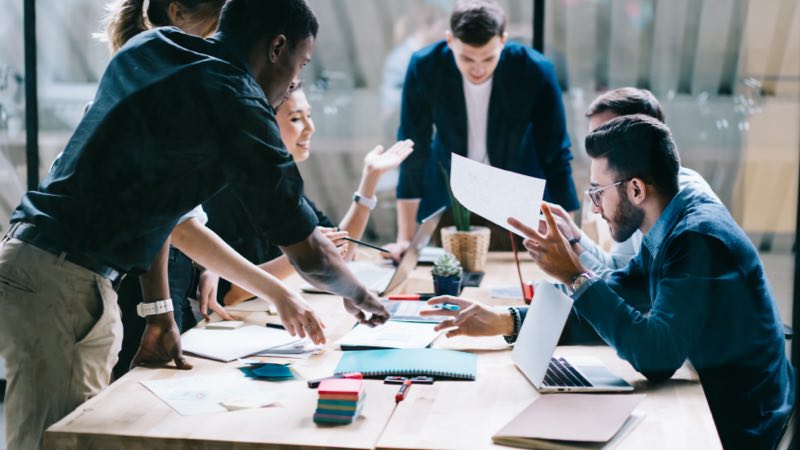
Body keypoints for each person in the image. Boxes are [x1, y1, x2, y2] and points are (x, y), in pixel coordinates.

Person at [0, 1, 389, 448]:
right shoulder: (234, 97)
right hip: (65, 284)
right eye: (298, 67)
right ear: (277, 46)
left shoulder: (151, 46)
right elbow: (308, 252)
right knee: (55, 443)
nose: (291, 87)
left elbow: (160, 208)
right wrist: (362, 297)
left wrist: (158, 311)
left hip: (37, 263)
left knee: (71, 434)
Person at [424, 115, 794, 449]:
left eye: (598, 193)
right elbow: (620, 294)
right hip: (716, 402)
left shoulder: (696, 237)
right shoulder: (669, 224)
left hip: (741, 427)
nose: (596, 208)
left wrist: (573, 273)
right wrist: (508, 320)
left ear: (635, 190)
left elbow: (657, 357)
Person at [389, 0, 578, 258]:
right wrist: (404, 238)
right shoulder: (425, 67)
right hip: (449, 198)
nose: (478, 69)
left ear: (503, 40)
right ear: (449, 40)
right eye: (466, 58)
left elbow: (556, 154)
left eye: (488, 58)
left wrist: (573, 239)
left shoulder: (534, 70)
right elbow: (414, 150)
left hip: (517, 196)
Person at [203, 84, 414, 306]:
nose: (310, 127)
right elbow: (229, 294)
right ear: (262, 124)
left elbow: (339, 252)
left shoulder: (281, 185)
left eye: (309, 115)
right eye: (295, 119)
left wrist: (369, 179)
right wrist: (302, 256)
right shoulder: (227, 193)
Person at [544, 87, 720, 279]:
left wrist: (573, 272)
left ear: (640, 133)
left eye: (606, 136)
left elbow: (637, 300)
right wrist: (573, 237)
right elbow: (622, 272)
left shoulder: (674, 207)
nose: (596, 149)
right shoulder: (632, 201)